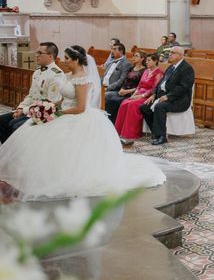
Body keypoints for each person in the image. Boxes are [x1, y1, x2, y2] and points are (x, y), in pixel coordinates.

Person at [0, 45, 165, 200]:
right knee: (34, 132)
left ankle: (65, 177)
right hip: (63, 112)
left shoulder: (83, 79)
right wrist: (49, 107)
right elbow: (62, 98)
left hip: (76, 117)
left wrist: (58, 113)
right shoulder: (67, 75)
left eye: (67, 58)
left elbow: (80, 107)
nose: (63, 61)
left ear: (76, 60)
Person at [0, 42, 64, 143]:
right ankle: (9, 153)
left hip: (43, 113)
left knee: (14, 125)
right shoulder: (37, 71)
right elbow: (31, 95)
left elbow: (50, 103)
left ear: (50, 56)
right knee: (2, 120)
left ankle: (18, 153)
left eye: (40, 53)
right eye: (37, 52)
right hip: (29, 109)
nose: (36, 55)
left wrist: (24, 111)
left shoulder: (56, 75)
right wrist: (20, 108)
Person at [140, 46, 195, 145]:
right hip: (164, 96)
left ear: (180, 55)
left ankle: (162, 136)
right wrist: (153, 94)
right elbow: (161, 83)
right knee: (144, 107)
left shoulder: (187, 68)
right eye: (170, 52)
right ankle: (155, 132)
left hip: (179, 100)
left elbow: (183, 87)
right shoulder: (171, 67)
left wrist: (168, 97)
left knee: (160, 107)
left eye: (172, 53)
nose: (170, 54)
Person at [115, 53, 165, 144]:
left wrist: (141, 96)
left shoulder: (159, 73)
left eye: (149, 60)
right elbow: (139, 85)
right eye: (146, 60)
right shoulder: (146, 71)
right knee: (124, 103)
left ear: (155, 61)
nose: (147, 62)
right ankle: (119, 131)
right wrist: (133, 94)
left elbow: (154, 88)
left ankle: (132, 133)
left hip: (148, 96)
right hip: (139, 93)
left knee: (131, 105)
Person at [105, 50, 146, 124]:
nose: (134, 57)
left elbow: (140, 86)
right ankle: (108, 122)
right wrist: (122, 89)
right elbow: (125, 80)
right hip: (123, 91)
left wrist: (126, 91)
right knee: (109, 98)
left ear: (142, 58)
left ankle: (114, 123)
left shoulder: (144, 71)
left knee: (114, 100)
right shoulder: (131, 68)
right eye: (133, 56)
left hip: (133, 93)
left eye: (136, 56)